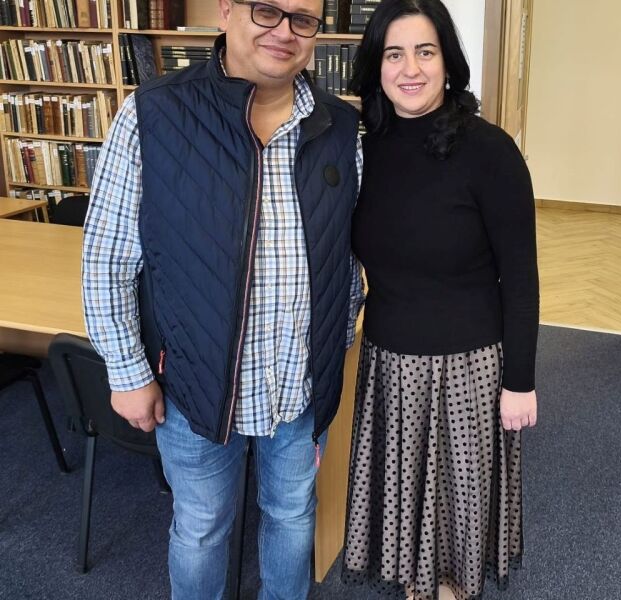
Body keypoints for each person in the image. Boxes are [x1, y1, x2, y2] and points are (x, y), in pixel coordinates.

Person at [81, 0, 363, 597]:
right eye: (267, 11)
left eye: (303, 19)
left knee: (293, 515)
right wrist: (127, 370)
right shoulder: (154, 114)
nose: (284, 32)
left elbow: (347, 254)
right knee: (202, 528)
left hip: (301, 386)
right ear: (227, 11)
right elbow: (107, 256)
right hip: (195, 387)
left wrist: (338, 344)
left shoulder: (339, 127)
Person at [342, 1, 539, 599]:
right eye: (394, 54)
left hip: (467, 366)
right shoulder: (364, 149)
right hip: (388, 360)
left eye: (424, 52)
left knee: (455, 507)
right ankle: (416, 583)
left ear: (447, 62)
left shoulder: (490, 151)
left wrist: (520, 381)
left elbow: (521, 276)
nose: (410, 69)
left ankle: (450, 587)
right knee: (406, 497)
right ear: (376, 66)